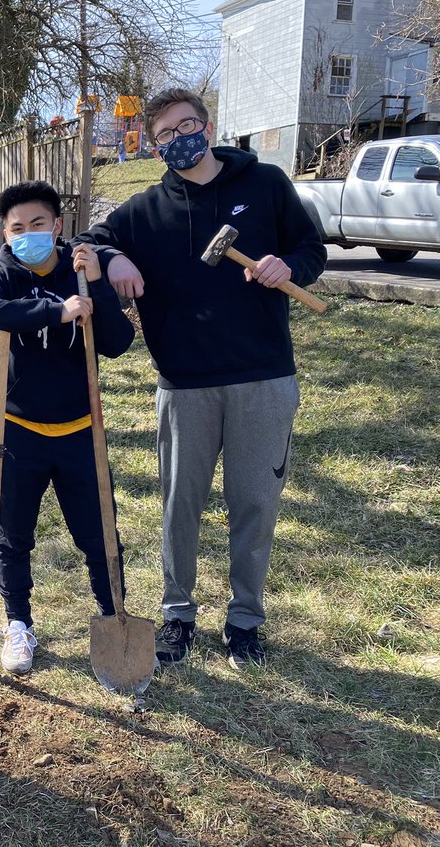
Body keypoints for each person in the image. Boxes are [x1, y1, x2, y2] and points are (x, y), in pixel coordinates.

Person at [73, 87, 327, 669]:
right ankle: (178, 616)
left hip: (261, 378)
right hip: (183, 383)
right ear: (155, 143)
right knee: (179, 504)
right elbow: (88, 242)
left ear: (207, 127)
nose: (178, 138)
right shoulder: (146, 209)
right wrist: (115, 259)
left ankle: (244, 623)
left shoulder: (264, 185)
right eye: (165, 133)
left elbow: (311, 247)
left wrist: (288, 265)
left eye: (187, 126)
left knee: (253, 503)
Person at [0, 181, 135, 675]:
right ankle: (19, 624)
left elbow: (118, 342)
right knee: (13, 537)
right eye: (17, 228)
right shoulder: (4, 273)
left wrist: (97, 288)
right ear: (6, 232)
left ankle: (114, 618)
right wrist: (55, 311)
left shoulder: (80, 269)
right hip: (20, 431)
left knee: (100, 535)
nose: (28, 234)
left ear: (57, 225)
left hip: (81, 429)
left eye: (38, 224)